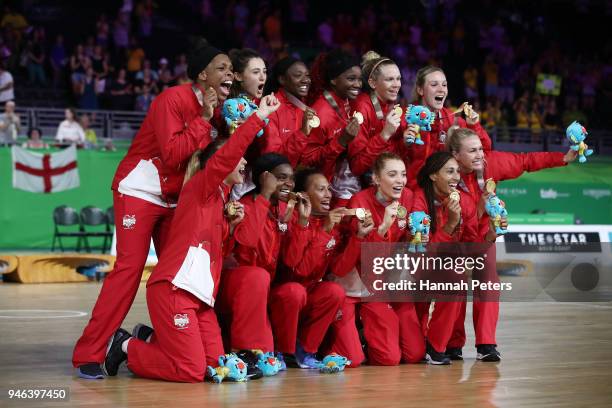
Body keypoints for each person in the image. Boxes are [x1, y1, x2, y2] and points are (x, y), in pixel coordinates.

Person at [72, 40, 234, 379]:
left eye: (231, 68)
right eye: (222, 67)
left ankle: (152, 341)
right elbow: (174, 154)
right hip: (140, 189)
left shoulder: (219, 110)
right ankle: (89, 352)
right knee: (129, 270)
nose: (229, 73)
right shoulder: (171, 100)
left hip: (176, 198)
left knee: (185, 272)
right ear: (202, 74)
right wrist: (204, 119)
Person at [102, 94, 281, 383]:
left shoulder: (221, 201)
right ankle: (125, 345)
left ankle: (151, 338)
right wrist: (257, 117)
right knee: (191, 371)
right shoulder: (201, 187)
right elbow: (230, 152)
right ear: (219, 164)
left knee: (214, 367)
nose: (244, 161)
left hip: (200, 299)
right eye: (237, 158)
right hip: (174, 290)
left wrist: (231, 227)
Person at [444, 126, 580, 362]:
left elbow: (526, 160)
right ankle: (452, 343)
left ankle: (486, 344)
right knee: (454, 288)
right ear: (456, 155)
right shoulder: (446, 172)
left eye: (480, 149)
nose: (479, 155)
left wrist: (563, 158)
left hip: (484, 235)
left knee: (488, 284)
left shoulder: (491, 164)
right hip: (455, 235)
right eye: (472, 151)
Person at [329, 153, 425, 366]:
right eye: (392, 175)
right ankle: (342, 338)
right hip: (353, 281)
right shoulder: (359, 202)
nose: (400, 180)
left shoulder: (408, 197)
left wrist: (415, 237)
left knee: (408, 356)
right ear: (375, 179)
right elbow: (365, 258)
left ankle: (364, 335)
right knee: (352, 360)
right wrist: (383, 228)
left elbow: (407, 240)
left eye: (403, 174)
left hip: (380, 282)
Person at [411, 151, 483, 365]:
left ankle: (439, 346)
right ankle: (428, 340)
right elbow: (424, 253)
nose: (456, 177)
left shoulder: (465, 201)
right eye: (449, 172)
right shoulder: (418, 200)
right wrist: (451, 224)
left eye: (458, 172)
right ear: (433, 175)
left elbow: (471, 241)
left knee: (456, 276)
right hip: (414, 268)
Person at [271, 168, 346, 368]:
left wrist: (359, 237)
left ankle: (305, 351)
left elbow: (337, 270)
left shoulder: (329, 222)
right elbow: (298, 269)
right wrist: (315, 228)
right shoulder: (291, 217)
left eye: (329, 189)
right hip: (282, 294)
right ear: (303, 195)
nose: (329, 195)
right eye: (321, 189)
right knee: (294, 292)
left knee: (334, 291)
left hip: (308, 293)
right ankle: (282, 351)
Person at [403, 65, 492, 187]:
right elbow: (388, 157)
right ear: (420, 90)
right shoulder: (405, 118)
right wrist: (404, 145)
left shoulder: (452, 120)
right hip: (411, 192)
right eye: (434, 85)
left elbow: (485, 148)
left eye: (444, 85)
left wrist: (474, 126)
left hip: (443, 195)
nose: (441, 89)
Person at [301, 49, 362, 207]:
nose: (357, 84)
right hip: (320, 192)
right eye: (351, 79)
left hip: (336, 185)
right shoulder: (321, 113)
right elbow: (307, 160)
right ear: (334, 80)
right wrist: (341, 142)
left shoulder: (345, 101)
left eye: (359, 79)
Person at [348, 52, 407, 180]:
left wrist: (405, 142)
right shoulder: (361, 108)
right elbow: (357, 166)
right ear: (373, 83)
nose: (397, 84)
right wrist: (384, 135)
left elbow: (389, 152)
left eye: (398, 78)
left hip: (380, 177)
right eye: (389, 79)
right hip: (353, 185)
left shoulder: (390, 103)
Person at [259, 57, 316, 167]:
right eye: (298, 75)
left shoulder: (306, 107)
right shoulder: (272, 107)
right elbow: (272, 160)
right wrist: (302, 133)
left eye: (307, 75)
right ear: (282, 79)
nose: (306, 80)